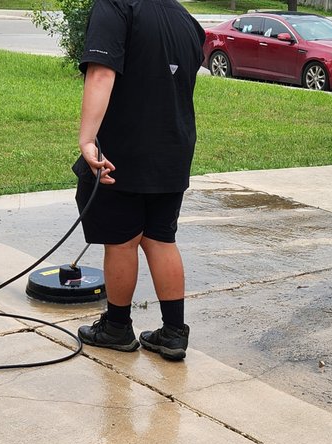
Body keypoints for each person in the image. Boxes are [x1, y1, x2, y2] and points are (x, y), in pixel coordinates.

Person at [73, 0, 205, 362]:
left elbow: (101, 73)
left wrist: (87, 140)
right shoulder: (184, 18)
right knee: (161, 237)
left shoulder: (114, 6)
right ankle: (174, 333)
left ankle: (117, 327)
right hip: (174, 146)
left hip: (126, 147)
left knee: (122, 240)